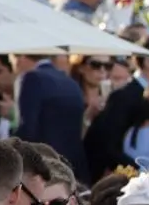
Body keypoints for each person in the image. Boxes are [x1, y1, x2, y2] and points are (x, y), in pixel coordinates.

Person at [13, 52, 91, 183]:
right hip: (72, 165)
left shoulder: (32, 78)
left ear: (21, 58)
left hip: (44, 166)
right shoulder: (71, 82)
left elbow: (28, 128)